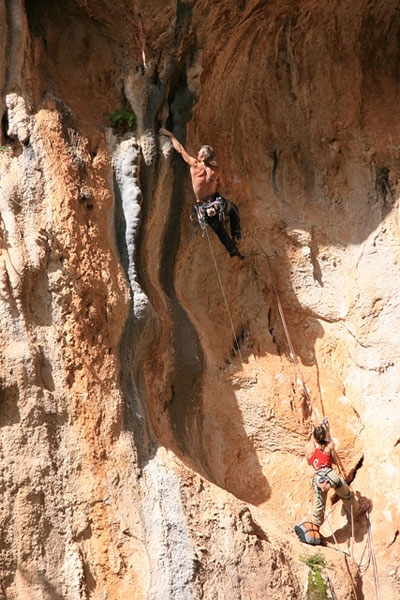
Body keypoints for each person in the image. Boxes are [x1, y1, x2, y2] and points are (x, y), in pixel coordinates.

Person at [159, 128, 244, 259]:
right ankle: (236, 235)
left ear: (203, 157)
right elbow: (222, 184)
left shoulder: (195, 165)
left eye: (199, 152)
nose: (197, 152)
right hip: (216, 201)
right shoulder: (216, 169)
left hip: (203, 206)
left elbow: (180, 149)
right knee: (233, 209)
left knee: (220, 231)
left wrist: (170, 135)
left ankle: (233, 251)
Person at [304, 423, 371, 529]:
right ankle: (356, 510)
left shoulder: (308, 447)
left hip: (319, 478)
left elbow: (309, 462)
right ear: (324, 437)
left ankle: (315, 527)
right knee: (345, 493)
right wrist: (329, 442)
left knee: (320, 503)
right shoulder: (329, 445)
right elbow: (335, 461)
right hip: (330, 475)